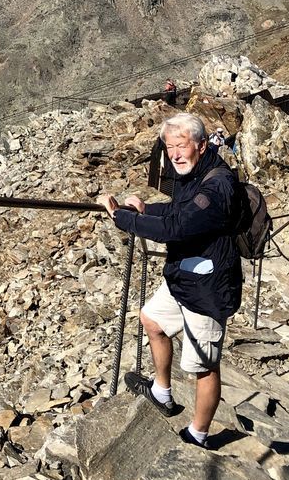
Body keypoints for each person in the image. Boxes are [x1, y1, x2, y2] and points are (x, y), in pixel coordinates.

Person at [100, 112, 242, 450]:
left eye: (181, 146)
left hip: (208, 288)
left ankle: (198, 436)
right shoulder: (191, 174)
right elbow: (180, 213)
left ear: (202, 145)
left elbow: (175, 229)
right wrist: (146, 209)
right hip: (184, 276)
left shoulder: (217, 185)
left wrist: (123, 218)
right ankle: (162, 393)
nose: (174, 154)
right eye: (169, 147)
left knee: (203, 367)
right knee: (151, 320)